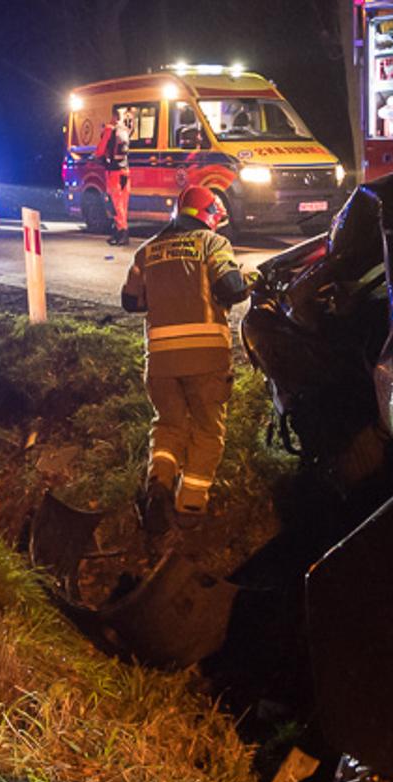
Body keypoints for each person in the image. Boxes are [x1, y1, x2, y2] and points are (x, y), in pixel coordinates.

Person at [121, 186, 253, 533]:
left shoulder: (146, 251)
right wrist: (249, 278)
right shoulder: (212, 244)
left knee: (168, 426)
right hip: (206, 361)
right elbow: (232, 289)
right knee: (208, 430)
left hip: (161, 365)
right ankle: (190, 506)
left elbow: (131, 303)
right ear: (211, 215)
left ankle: (159, 485)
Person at [99, 109, 133, 245]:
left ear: (113, 116)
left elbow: (100, 150)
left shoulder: (109, 130)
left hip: (114, 173)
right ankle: (120, 233)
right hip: (126, 171)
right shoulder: (125, 130)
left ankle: (122, 233)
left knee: (116, 205)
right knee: (123, 205)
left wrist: (99, 157)